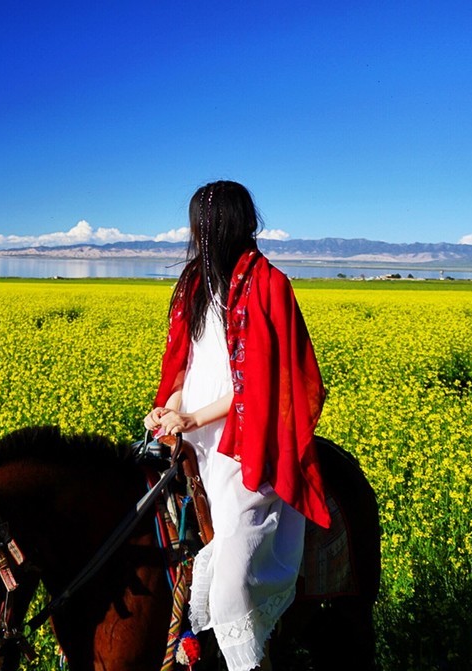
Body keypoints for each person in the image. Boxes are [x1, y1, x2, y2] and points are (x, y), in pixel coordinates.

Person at [144, 180, 329, 671]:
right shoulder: (192, 282)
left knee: (231, 583)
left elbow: (262, 388)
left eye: (202, 227)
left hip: (248, 443)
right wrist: (170, 408)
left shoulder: (269, 285)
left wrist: (192, 417)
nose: (197, 236)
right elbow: (181, 360)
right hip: (190, 437)